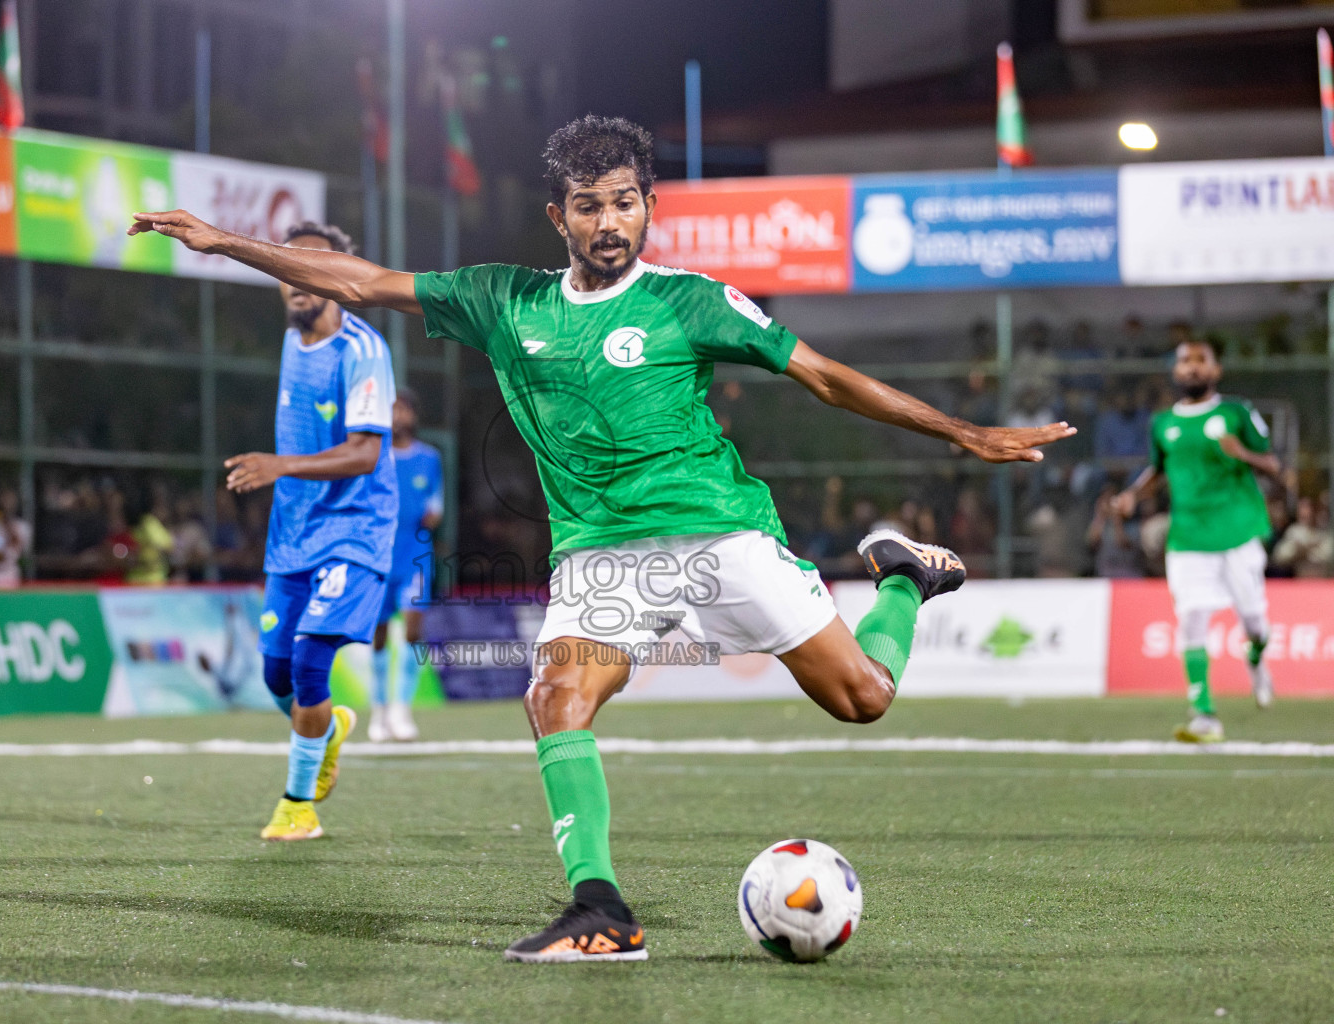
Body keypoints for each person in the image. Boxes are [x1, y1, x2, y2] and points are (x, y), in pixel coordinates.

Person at [131, 115, 1072, 962]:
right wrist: (224, 245)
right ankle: (601, 909)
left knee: (863, 698)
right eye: (590, 206)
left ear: (648, 206)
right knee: (556, 694)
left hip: (718, 532)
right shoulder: (506, 301)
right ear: (559, 216)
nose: (610, 221)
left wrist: (965, 433)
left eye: (625, 202)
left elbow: (824, 376)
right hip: (596, 554)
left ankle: (901, 580)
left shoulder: (692, 301)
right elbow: (364, 281)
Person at [216, 220, 397, 843]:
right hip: (294, 534)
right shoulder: (294, 341)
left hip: (355, 528)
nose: (296, 280)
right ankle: (329, 731)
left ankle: (298, 806)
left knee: (311, 663)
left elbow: (366, 453)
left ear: (336, 279)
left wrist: (279, 466)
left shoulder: (362, 351)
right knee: (276, 676)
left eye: (311, 267)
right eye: (287, 269)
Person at [1113, 334, 1280, 741]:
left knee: (1256, 622)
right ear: (1175, 370)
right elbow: (1158, 470)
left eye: (1200, 360)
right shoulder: (1163, 424)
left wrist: (1243, 454)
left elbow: (1274, 464)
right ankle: (1204, 713)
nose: (1191, 367)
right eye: (1185, 361)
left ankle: (1256, 658)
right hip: (1187, 535)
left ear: (1216, 370)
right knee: (1191, 619)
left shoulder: (1237, 412)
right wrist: (1132, 495)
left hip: (1237, 532)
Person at [367, 388, 444, 742]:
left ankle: (401, 710)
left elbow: (435, 505)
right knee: (379, 635)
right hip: (378, 557)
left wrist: (432, 513)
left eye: (403, 409)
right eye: (391, 409)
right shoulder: (374, 457)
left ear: (413, 415)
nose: (397, 416)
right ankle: (379, 710)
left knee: (413, 632)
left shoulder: (430, 458)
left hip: (415, 555)